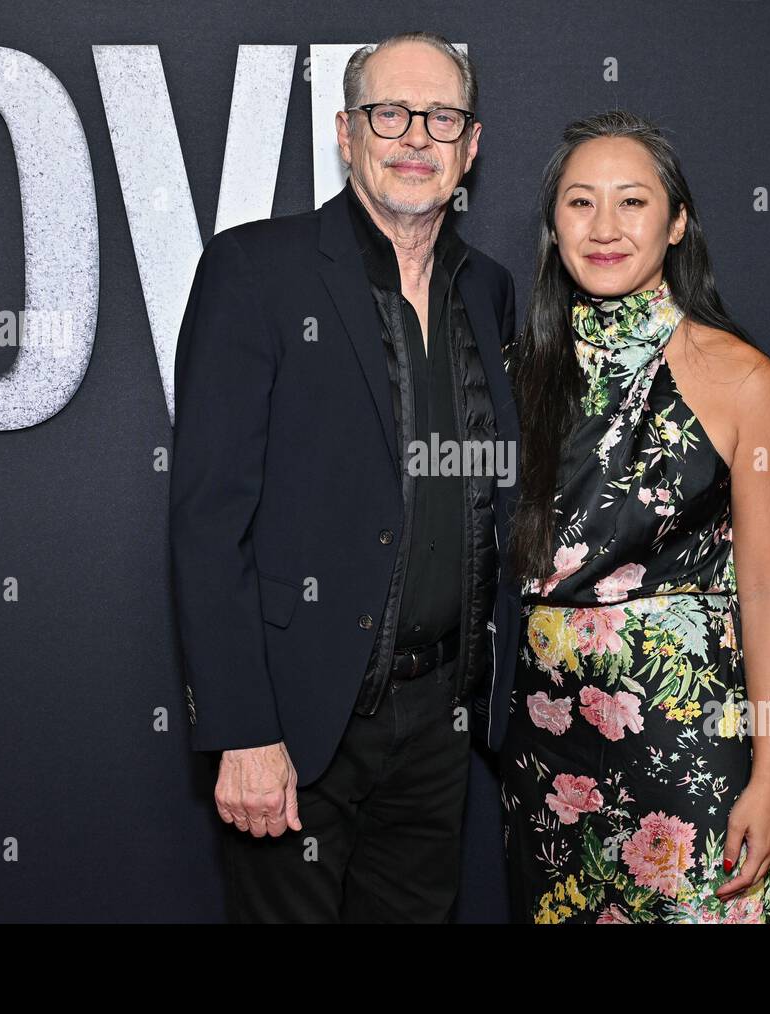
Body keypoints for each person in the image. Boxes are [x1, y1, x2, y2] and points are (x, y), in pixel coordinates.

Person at [168, 31, 521, 922]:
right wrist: (244, 730)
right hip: (297, 718)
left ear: (471, 145)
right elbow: (209, 522)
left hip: (440, 720)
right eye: (389, 113)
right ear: (346, 132)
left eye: (442, 117)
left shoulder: (490, 290)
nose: (415, 137)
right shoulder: (254, 272)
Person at [495, 110, 770, 924]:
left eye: (631, 203)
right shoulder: (507, 373)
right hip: (543, 743)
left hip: (687, 740)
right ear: (553, 226)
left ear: (676, 224)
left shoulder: (742, 379)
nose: (603, 227)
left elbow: (768, 588)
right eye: (579, 203)